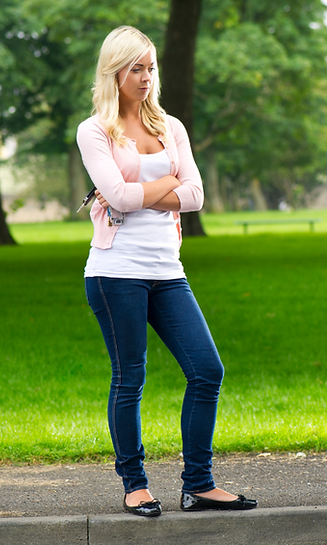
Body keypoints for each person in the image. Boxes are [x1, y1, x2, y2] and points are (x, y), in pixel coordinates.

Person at [76, 26, 256, 517]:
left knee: (206, 370)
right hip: (115, 273)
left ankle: (198, 483)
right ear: (114, 72)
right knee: (129, 378)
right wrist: (166, 183)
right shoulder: (94, 131)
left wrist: (145, 193)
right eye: (136, 69)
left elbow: (196, 197)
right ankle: (135, 484)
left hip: (167, 270)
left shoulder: (170, 127)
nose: (146, 78)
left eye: (151, 68)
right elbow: (118, 197)